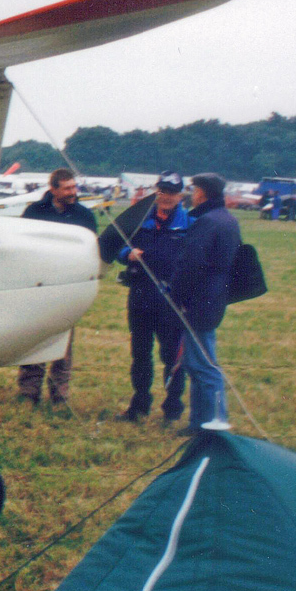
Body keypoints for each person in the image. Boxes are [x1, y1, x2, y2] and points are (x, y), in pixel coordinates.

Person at [113, 171, 190, 424]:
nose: (166, 197)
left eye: (172, 192)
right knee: (140, 353)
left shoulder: (188, 223)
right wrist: (128, 254)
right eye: (163, 191)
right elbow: (118, 246)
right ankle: (139, 405)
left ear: (180, 195)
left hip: (171, 298)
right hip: (140, 295)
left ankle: (172, 409)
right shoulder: (141, 218)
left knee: (171, 356)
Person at [17, 168, 98, 405]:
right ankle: (29, 390)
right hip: (39, 284)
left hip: (69, 287)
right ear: (53, 189)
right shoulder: (34, 212)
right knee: (35, 338)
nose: (73, 192)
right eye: (67, 188)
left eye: (74, 187)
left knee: (64, 341)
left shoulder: (84, 216)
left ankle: (60, 393)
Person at [170, 173, 241, 435]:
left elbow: (190, 265)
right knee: (195, 363)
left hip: (199, 302)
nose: (192, 194)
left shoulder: (207, 222)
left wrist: (177, 295)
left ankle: (215, 426)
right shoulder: (227, 219)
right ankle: (198, 424)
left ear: (202, 193)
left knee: (205, 366)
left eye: (194, 189)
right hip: (213, 300)